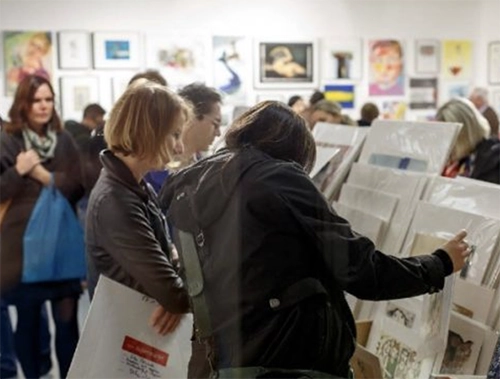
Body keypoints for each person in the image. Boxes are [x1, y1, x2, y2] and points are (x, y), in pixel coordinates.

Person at [160, 101, 471, 379]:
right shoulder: (277, 178)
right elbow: (362, 271)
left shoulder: (187, 187)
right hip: (285, 364)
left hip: (220, 363)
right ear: (294, 148)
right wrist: (440, 263)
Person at [85, 80, 191, 338]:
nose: (179, 147)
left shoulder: (133, 185)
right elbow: (174, 294)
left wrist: (175, 283)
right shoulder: (116, 199)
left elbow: (168, 263)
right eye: (174, 134)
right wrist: (177, 289)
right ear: (148, 131)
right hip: (130, 336)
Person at [0, 75, 84, 379]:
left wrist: (40, 174)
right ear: (24, 103)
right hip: (21, 249)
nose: (44, 106)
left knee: (67, 322)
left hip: (60, 243)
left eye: (49, 99)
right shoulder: (7, 140)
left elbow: (78, 186)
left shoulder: (64, 140)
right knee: (28, 321)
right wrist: (17, 171)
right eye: (37, 100)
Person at [437, 98, 500, 184]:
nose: (445, 142)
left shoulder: (493, 160)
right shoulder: (460, 160)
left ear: (464, 133)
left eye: (448, 136)